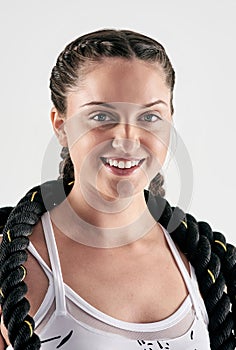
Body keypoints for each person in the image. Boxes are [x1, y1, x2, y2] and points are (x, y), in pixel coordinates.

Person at [0, 28, 235, 350]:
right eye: (101, 116)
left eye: (150, 116)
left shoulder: (209, 265)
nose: (127, 139)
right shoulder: (13, 264)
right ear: (61, 125)